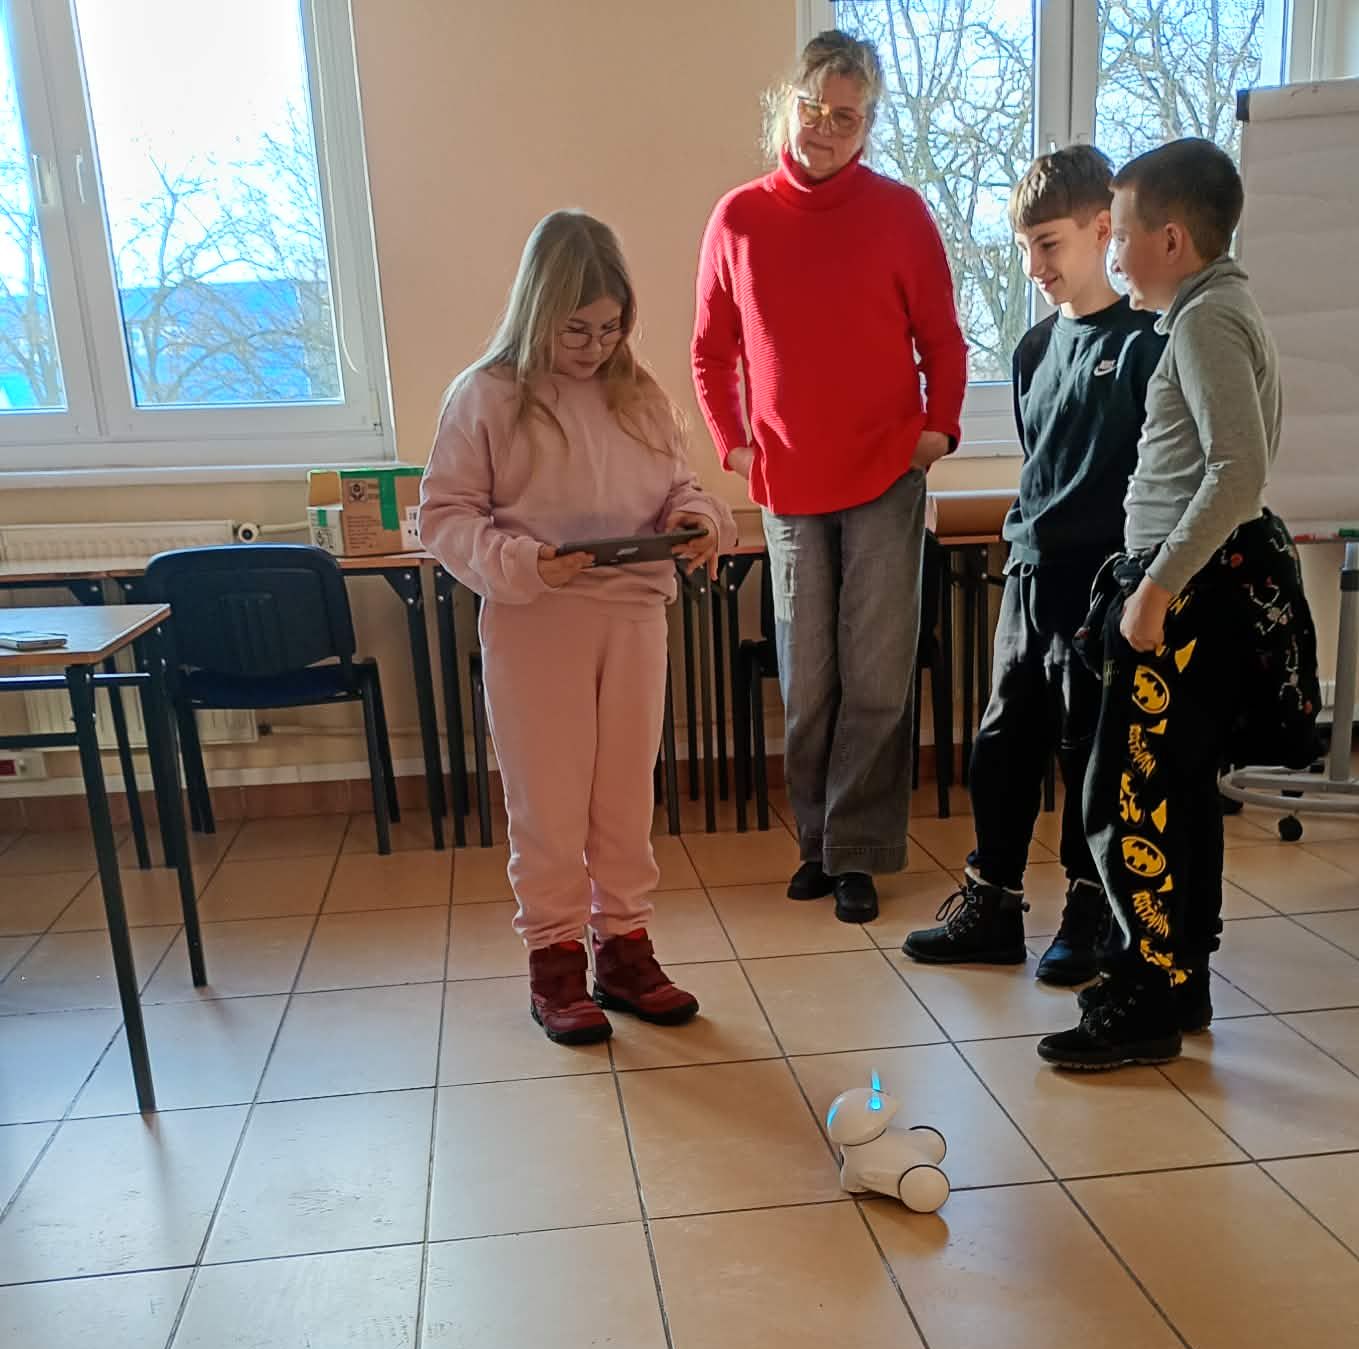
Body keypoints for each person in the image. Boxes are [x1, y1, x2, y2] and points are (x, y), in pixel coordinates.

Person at [420, 211, 735, 1046]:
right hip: (536, 622)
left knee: (624, 798)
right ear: (537, 310)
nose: (595, 346)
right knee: (549, 804)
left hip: (632, 616)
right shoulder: (486, 395)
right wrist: (523, 562)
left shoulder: (641, 394)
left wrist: (699, 520)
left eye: (610, 327)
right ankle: (555, 961)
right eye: (576, 329)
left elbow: (680, 488)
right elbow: (444, 516)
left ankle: (624, 950)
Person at [1037, 138, 1313, 1072]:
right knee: (1179, 793)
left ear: (1170, 239)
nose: (1112, 253)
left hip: (1182, 595)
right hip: (1189, 585)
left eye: (1121, 235)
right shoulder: (1216, 309)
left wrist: (1155, 589)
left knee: (1132, 798)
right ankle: (1179, 978)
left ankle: (1145, 998)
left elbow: (1238, 470)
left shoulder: (1204, 324)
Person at [692, 29, 967, 925]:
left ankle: (858, 853)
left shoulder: (900, 214)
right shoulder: (739, 218)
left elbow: (943, 341)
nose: (825, 128)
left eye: (846, 118)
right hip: (788, 487)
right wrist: (734, 446)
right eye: (814, 109)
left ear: (867, 125)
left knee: (876, 676)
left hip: (887, 475)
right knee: (808, 679)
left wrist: (936, 432)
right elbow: (710, 351)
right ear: (789, 105)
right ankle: (815, 841)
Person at [903, 145, 1165, 981]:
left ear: (1102, 229)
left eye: (1049, 244)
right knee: (1003, 740)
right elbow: (1041, 461)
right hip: (1029, 572)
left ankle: (1091, 910)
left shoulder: (1146, 344)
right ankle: (992, 904)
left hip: (1102, 583)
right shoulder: (1032, 349)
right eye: (1023, 247)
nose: (1034, 266)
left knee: (1091, 751)